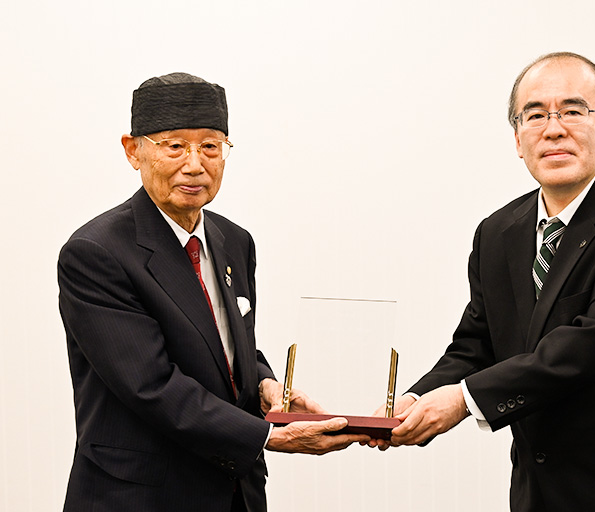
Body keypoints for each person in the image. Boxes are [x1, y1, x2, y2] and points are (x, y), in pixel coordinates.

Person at [375, 52, 595, 511]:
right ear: (518, 139)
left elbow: (588, 345)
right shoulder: (497, 233)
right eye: (535, 114)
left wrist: (463, 401)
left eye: (574, 111)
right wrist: (411, 401)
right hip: (541, 493)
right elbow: (476, 344)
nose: (553, 128)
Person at [58, 72, 369, 512]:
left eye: (210, 146)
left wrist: (264, 384)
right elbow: (152, 385)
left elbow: (226, 347)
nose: (195, 164)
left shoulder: (233, 240)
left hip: (234, 492)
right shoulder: (96, 253)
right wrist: (268, 435)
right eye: (174, 146)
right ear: (133, 151)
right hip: (139, 495)